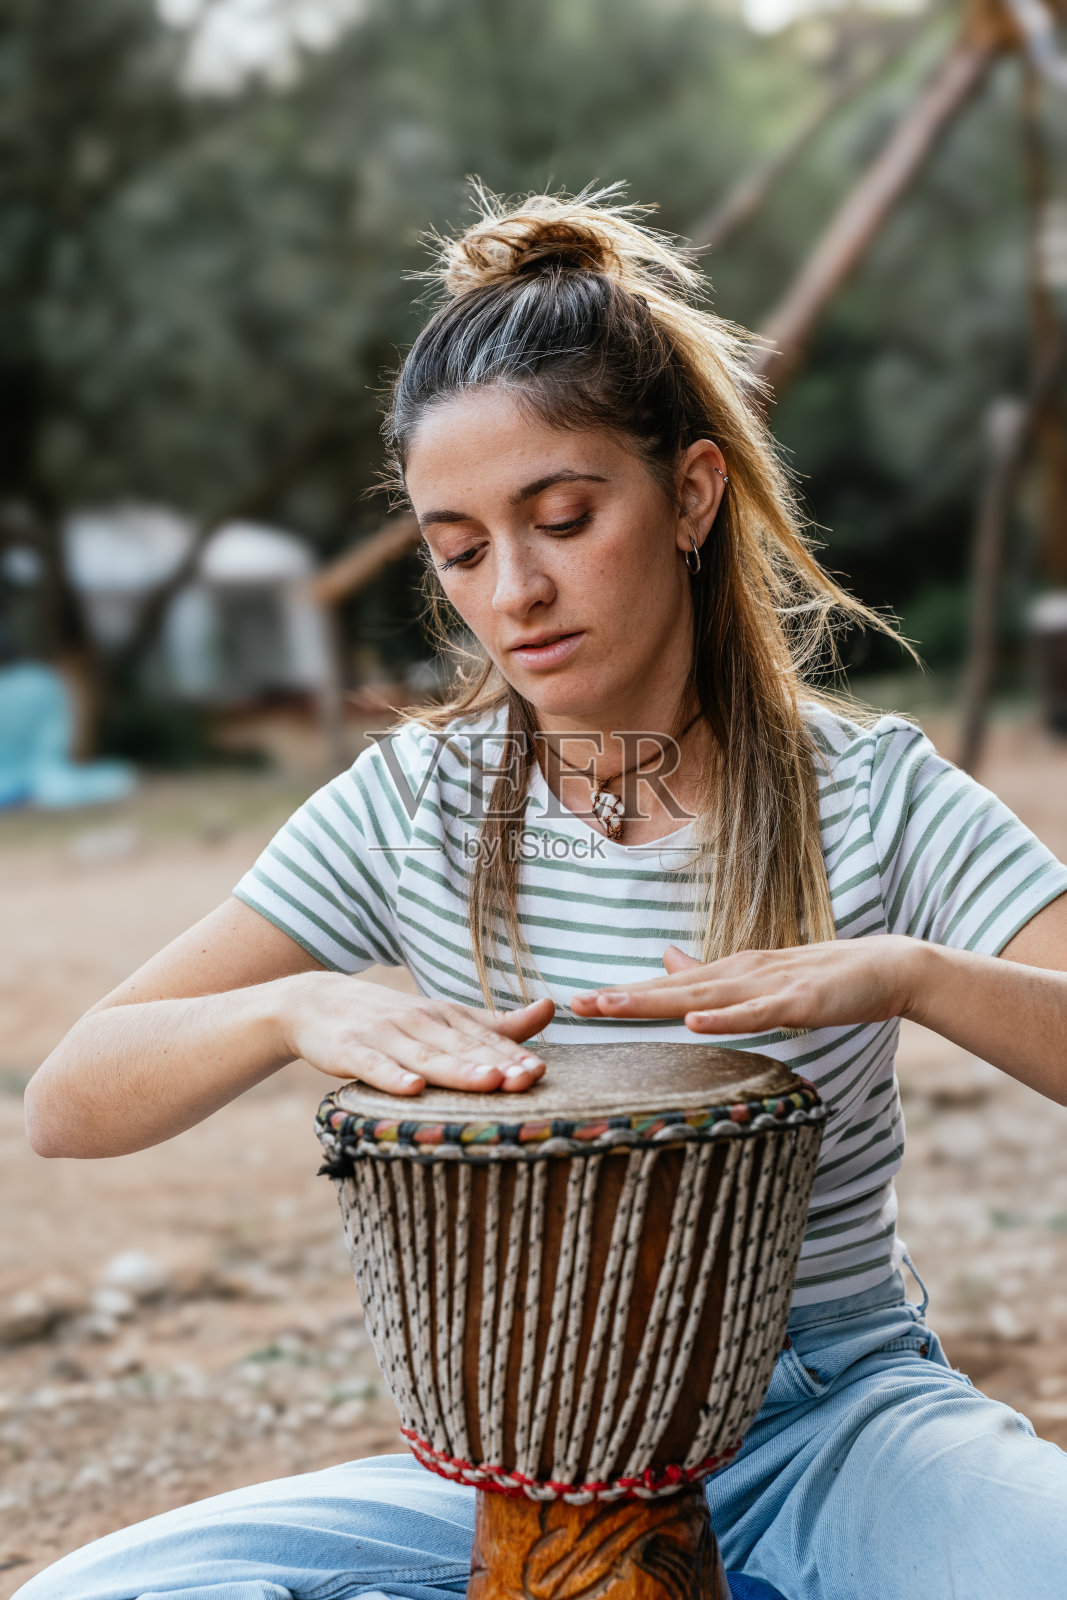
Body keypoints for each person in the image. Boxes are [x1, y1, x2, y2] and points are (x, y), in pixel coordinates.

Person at [18, 184, 1067, 1600]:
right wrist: (291, 1008)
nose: (512, 590)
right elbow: (68, 1102)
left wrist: (916, 977)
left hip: (838, 1425)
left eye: (563, 518)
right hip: (512, 1466)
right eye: (458, 549)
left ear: (692, 494)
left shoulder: (872, 794)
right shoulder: (414, 805)